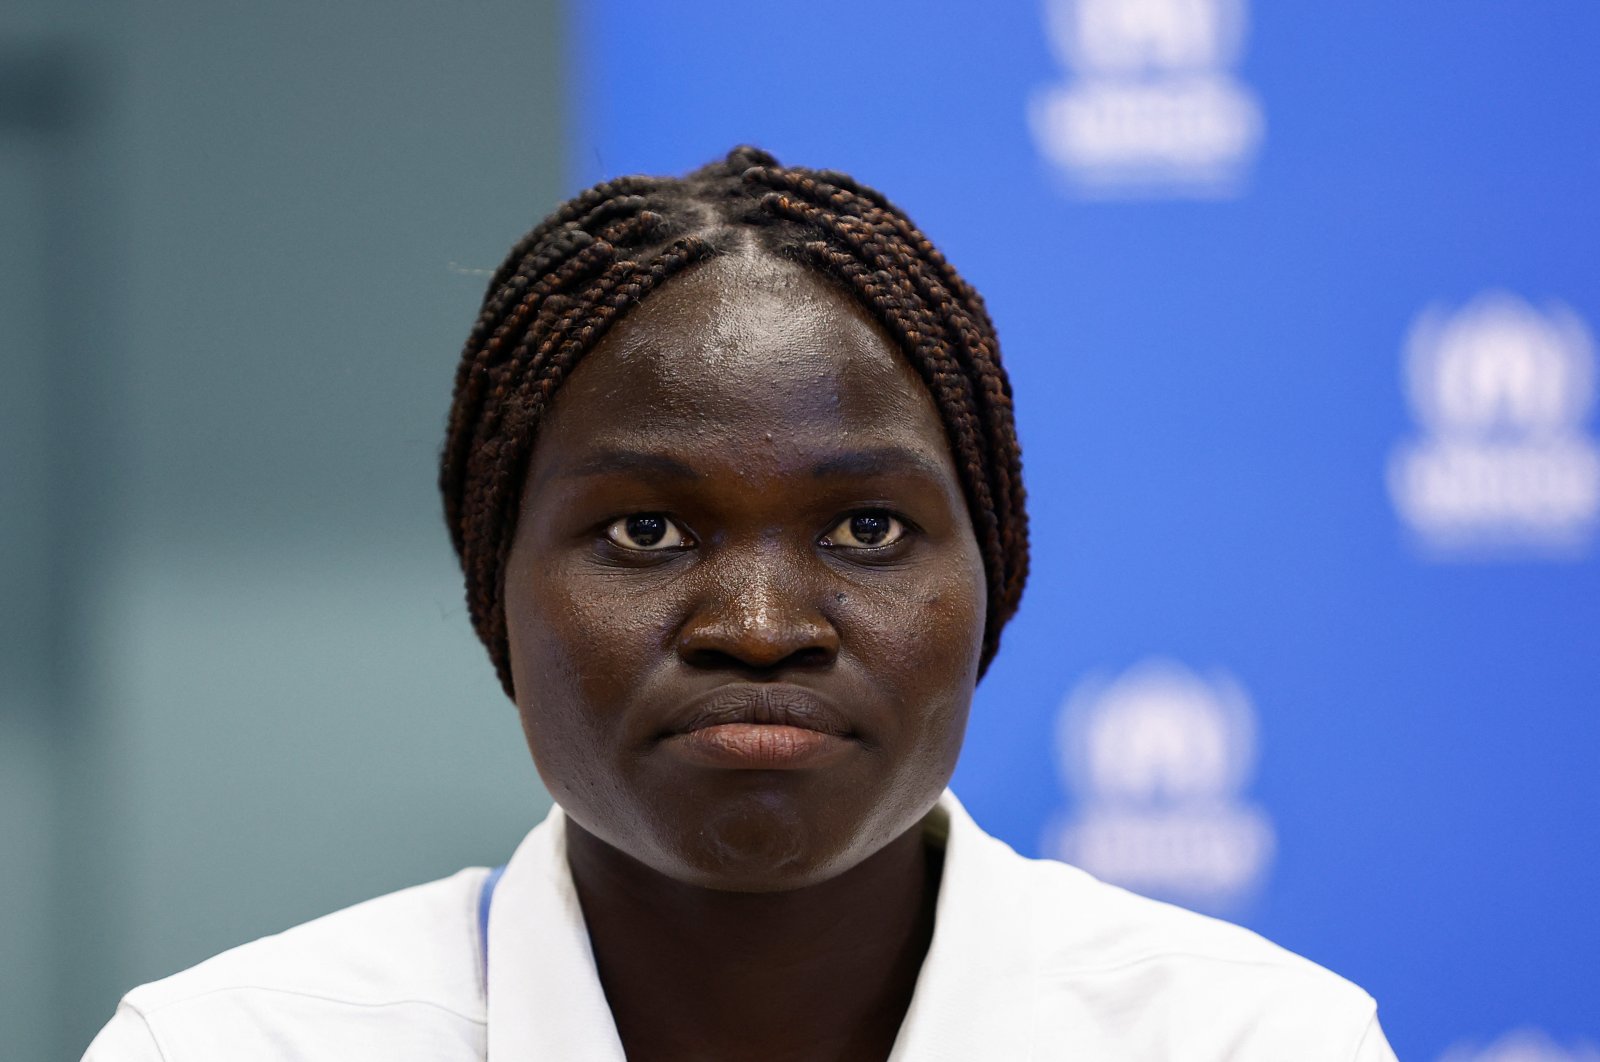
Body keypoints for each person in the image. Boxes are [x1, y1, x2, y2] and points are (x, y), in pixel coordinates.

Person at [84, 146, 1396, 1061]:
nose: (761, 624)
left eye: (867, 527)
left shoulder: (1249, 1042)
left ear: (992, 579)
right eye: (646, 529)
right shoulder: (230, 1046)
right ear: (498, 591)